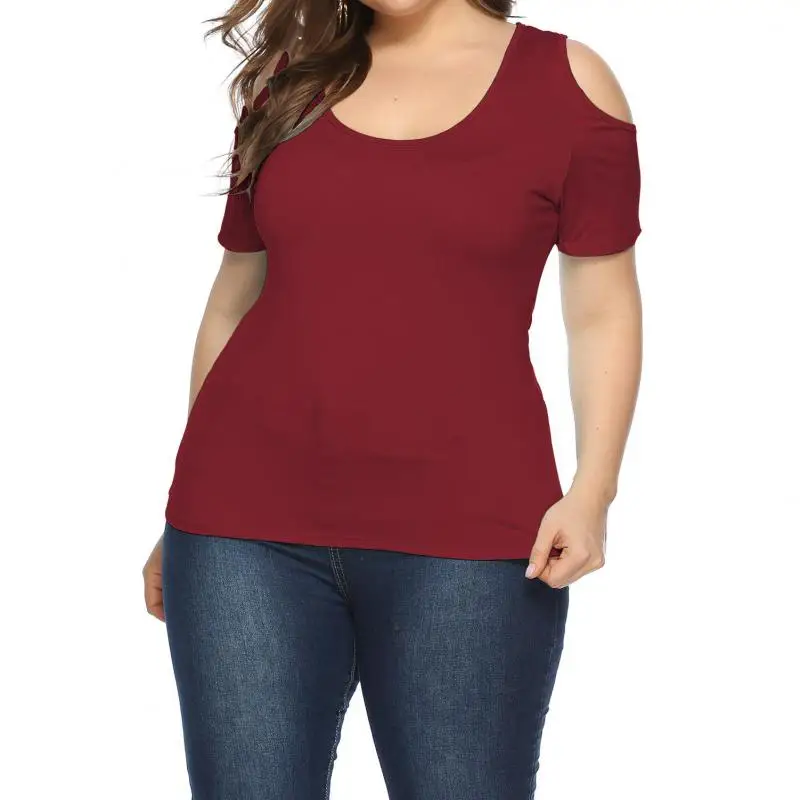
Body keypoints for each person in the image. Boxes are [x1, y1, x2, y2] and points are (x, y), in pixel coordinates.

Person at [142, 0, 643, 796]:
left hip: (472, 538)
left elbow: (601, 310)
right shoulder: (292, 81)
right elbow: (235, 297)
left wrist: (594, 492)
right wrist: (186, 514)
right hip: (239, 533)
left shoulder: (569, 85)